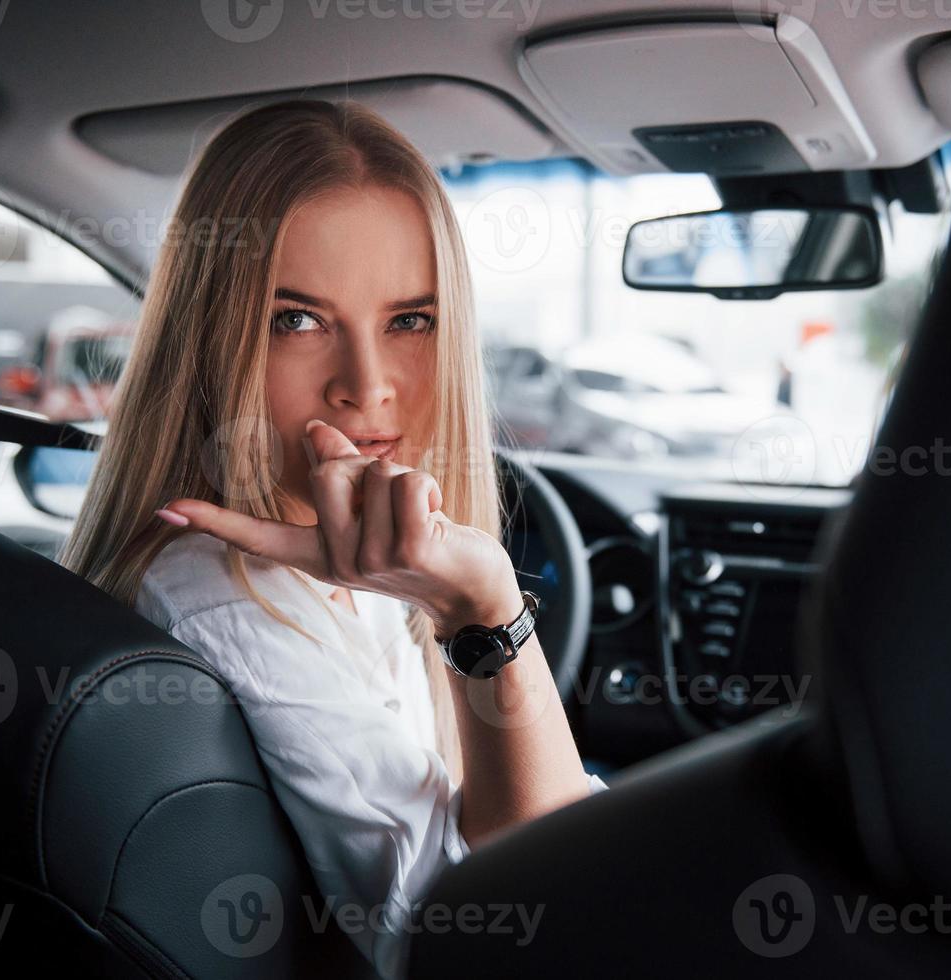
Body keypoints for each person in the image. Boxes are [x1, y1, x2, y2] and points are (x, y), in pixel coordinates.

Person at [57, 100, 606, 978]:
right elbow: (504, 935)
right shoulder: (223, 589)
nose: (367, 385)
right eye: (297, 320)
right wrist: (485, 606)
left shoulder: (347, 551)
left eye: (409, 320)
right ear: (212, 337)